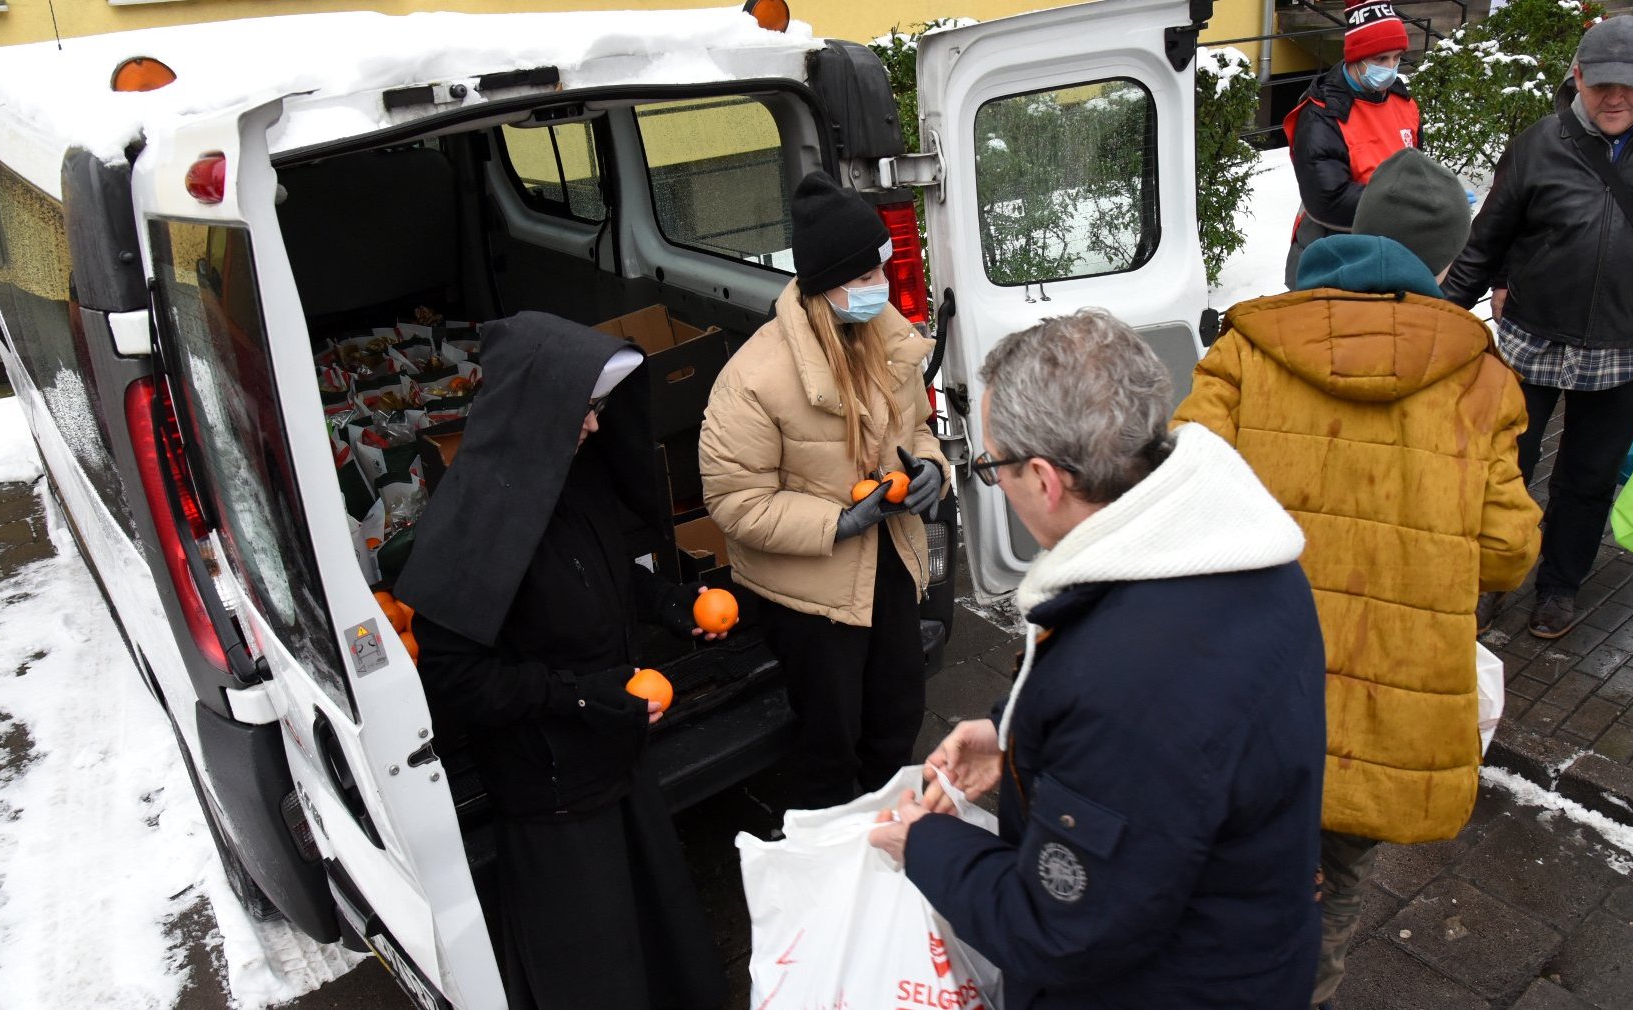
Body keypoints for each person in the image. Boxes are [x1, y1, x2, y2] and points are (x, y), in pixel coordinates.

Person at [869, 309, 1327, 1009]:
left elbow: (1061, 932)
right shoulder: (1243, 554)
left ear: (1046, 479)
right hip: (1250, 945)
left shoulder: (1129, 678)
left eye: (993, 466)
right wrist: (1012, 732)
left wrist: (927, 846)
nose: (997, 484)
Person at [1173, 148, 1542, 1009]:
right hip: (1387, 713)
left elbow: (1176, 497)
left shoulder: (1246, 352)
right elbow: (1507, 551)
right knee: (1328, 900)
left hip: (1252, 696)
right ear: (1443, 261)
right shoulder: (1484, 380)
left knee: (1220, 886)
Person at [397, 312, 727, 1010]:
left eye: (601, 408)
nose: (596, 426)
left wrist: (671, 604)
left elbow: (607, 574)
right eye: (584, 409)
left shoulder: (574, 479)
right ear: (537, 408)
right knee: (592, 965)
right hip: (551, 788)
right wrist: (581, 695)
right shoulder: (471, 523)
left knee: (655, 930)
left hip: (616, 751)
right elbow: (456, 676)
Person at [1441, 16, 1633, 639]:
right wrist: (1440, 317)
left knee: (1588, 478)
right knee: (1503, 469)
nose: (1614, 98)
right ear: (1577, 76)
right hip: (1529, 340)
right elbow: (1489, 238)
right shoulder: (1539, 141)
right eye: (1600, 84)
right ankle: (1489, 579)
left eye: (1630, 86)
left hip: (1628, 347)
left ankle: (1559, 586)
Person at [698, 171, 948, 810]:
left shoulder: (885, 339)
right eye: (863, 277)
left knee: (897, 712)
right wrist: (838, 523)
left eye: (880, 270)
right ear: (825, 283)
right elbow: (734, 501)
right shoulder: (753, 379)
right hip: (811, 589)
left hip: (889, 560)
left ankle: (880, 830)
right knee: (830, 739)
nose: (879, 286)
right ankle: (824, 850)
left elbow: (918, 429)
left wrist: (928, 473)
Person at [1282, 0, 1420, 288]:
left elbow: (1417, 166)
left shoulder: (1403, 102)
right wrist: (1408, 202)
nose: (1391, 68)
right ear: (1356, 57)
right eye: (1381, 59)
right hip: (1329, 254)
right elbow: (1328, 200)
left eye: (1397, 58)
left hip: (1387, 247)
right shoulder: (1321, 113)